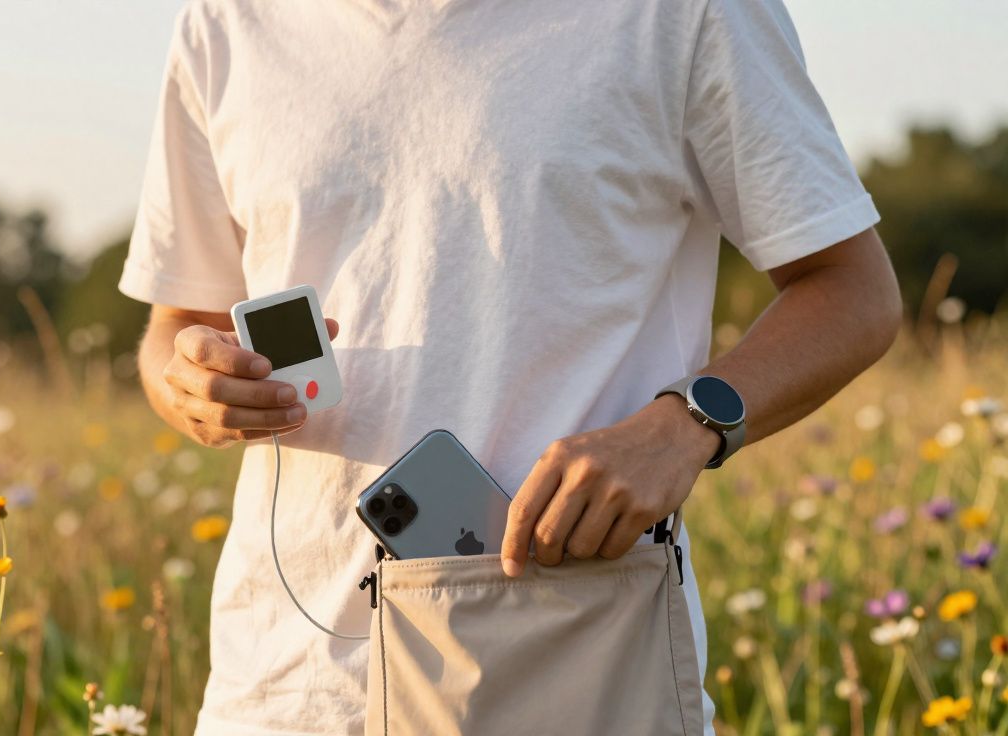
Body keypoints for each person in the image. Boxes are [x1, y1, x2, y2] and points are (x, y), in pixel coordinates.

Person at [121, 0, 902, 733]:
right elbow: (179, 322)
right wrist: (185, 382)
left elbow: (854, 293)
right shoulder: (227, 23)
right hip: (285, 688)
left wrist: (685, 425)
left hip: (577, 654)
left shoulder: (685, 13)